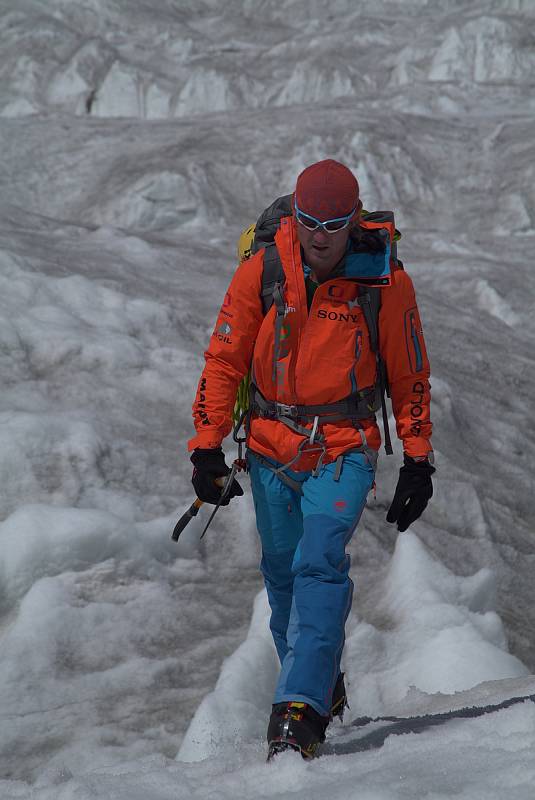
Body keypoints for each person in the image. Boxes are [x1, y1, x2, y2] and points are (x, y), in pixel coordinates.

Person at [188, 159, 434, 759]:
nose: (319, 235)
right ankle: (322, 678)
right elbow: (223, 360)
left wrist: (418, 459)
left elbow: (410, 375)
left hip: (344, 449)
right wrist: (205, 447)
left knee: (319, 562)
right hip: (270, 447)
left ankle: (298, 709)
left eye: (332, 223)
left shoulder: (385, 282)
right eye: (308, 222)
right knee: (281, 573)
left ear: (354, 221)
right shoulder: (263, 271)